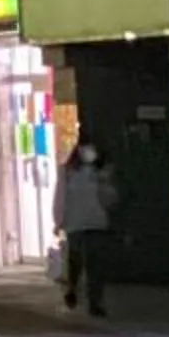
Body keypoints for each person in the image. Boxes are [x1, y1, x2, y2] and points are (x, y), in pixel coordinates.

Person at [56, 135, 119, 316]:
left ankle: (95, 301)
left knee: (95, 263)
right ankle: (72, 289)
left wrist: (105, 182)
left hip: (97, 221)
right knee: (76, 260)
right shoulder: (68, 172)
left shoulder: (102, 172)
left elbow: (111, 199)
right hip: (75, 222)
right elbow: (61, 196)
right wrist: (59, 220)